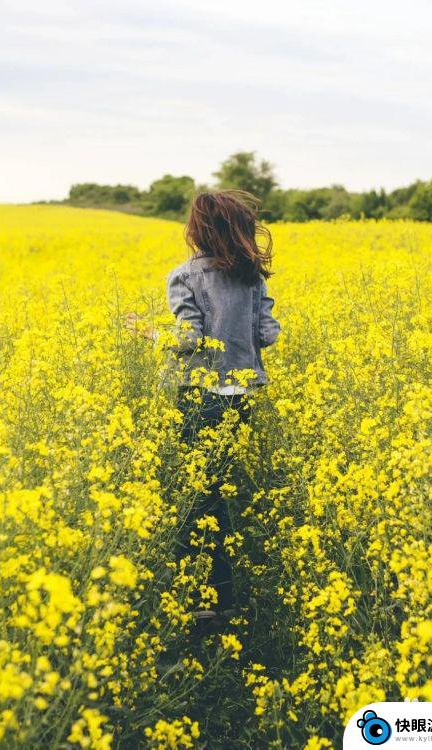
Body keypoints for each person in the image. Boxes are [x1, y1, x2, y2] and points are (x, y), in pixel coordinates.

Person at [126, 189, 281, 616]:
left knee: (201, 497)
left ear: (198, 231)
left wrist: (148, 332)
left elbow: (188, 339)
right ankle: (222, 597)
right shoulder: (253, 278)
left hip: (201, 396)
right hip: (242, 397)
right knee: (217, 491)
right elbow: (268, 335)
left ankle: (208, 600)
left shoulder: (186, 276)